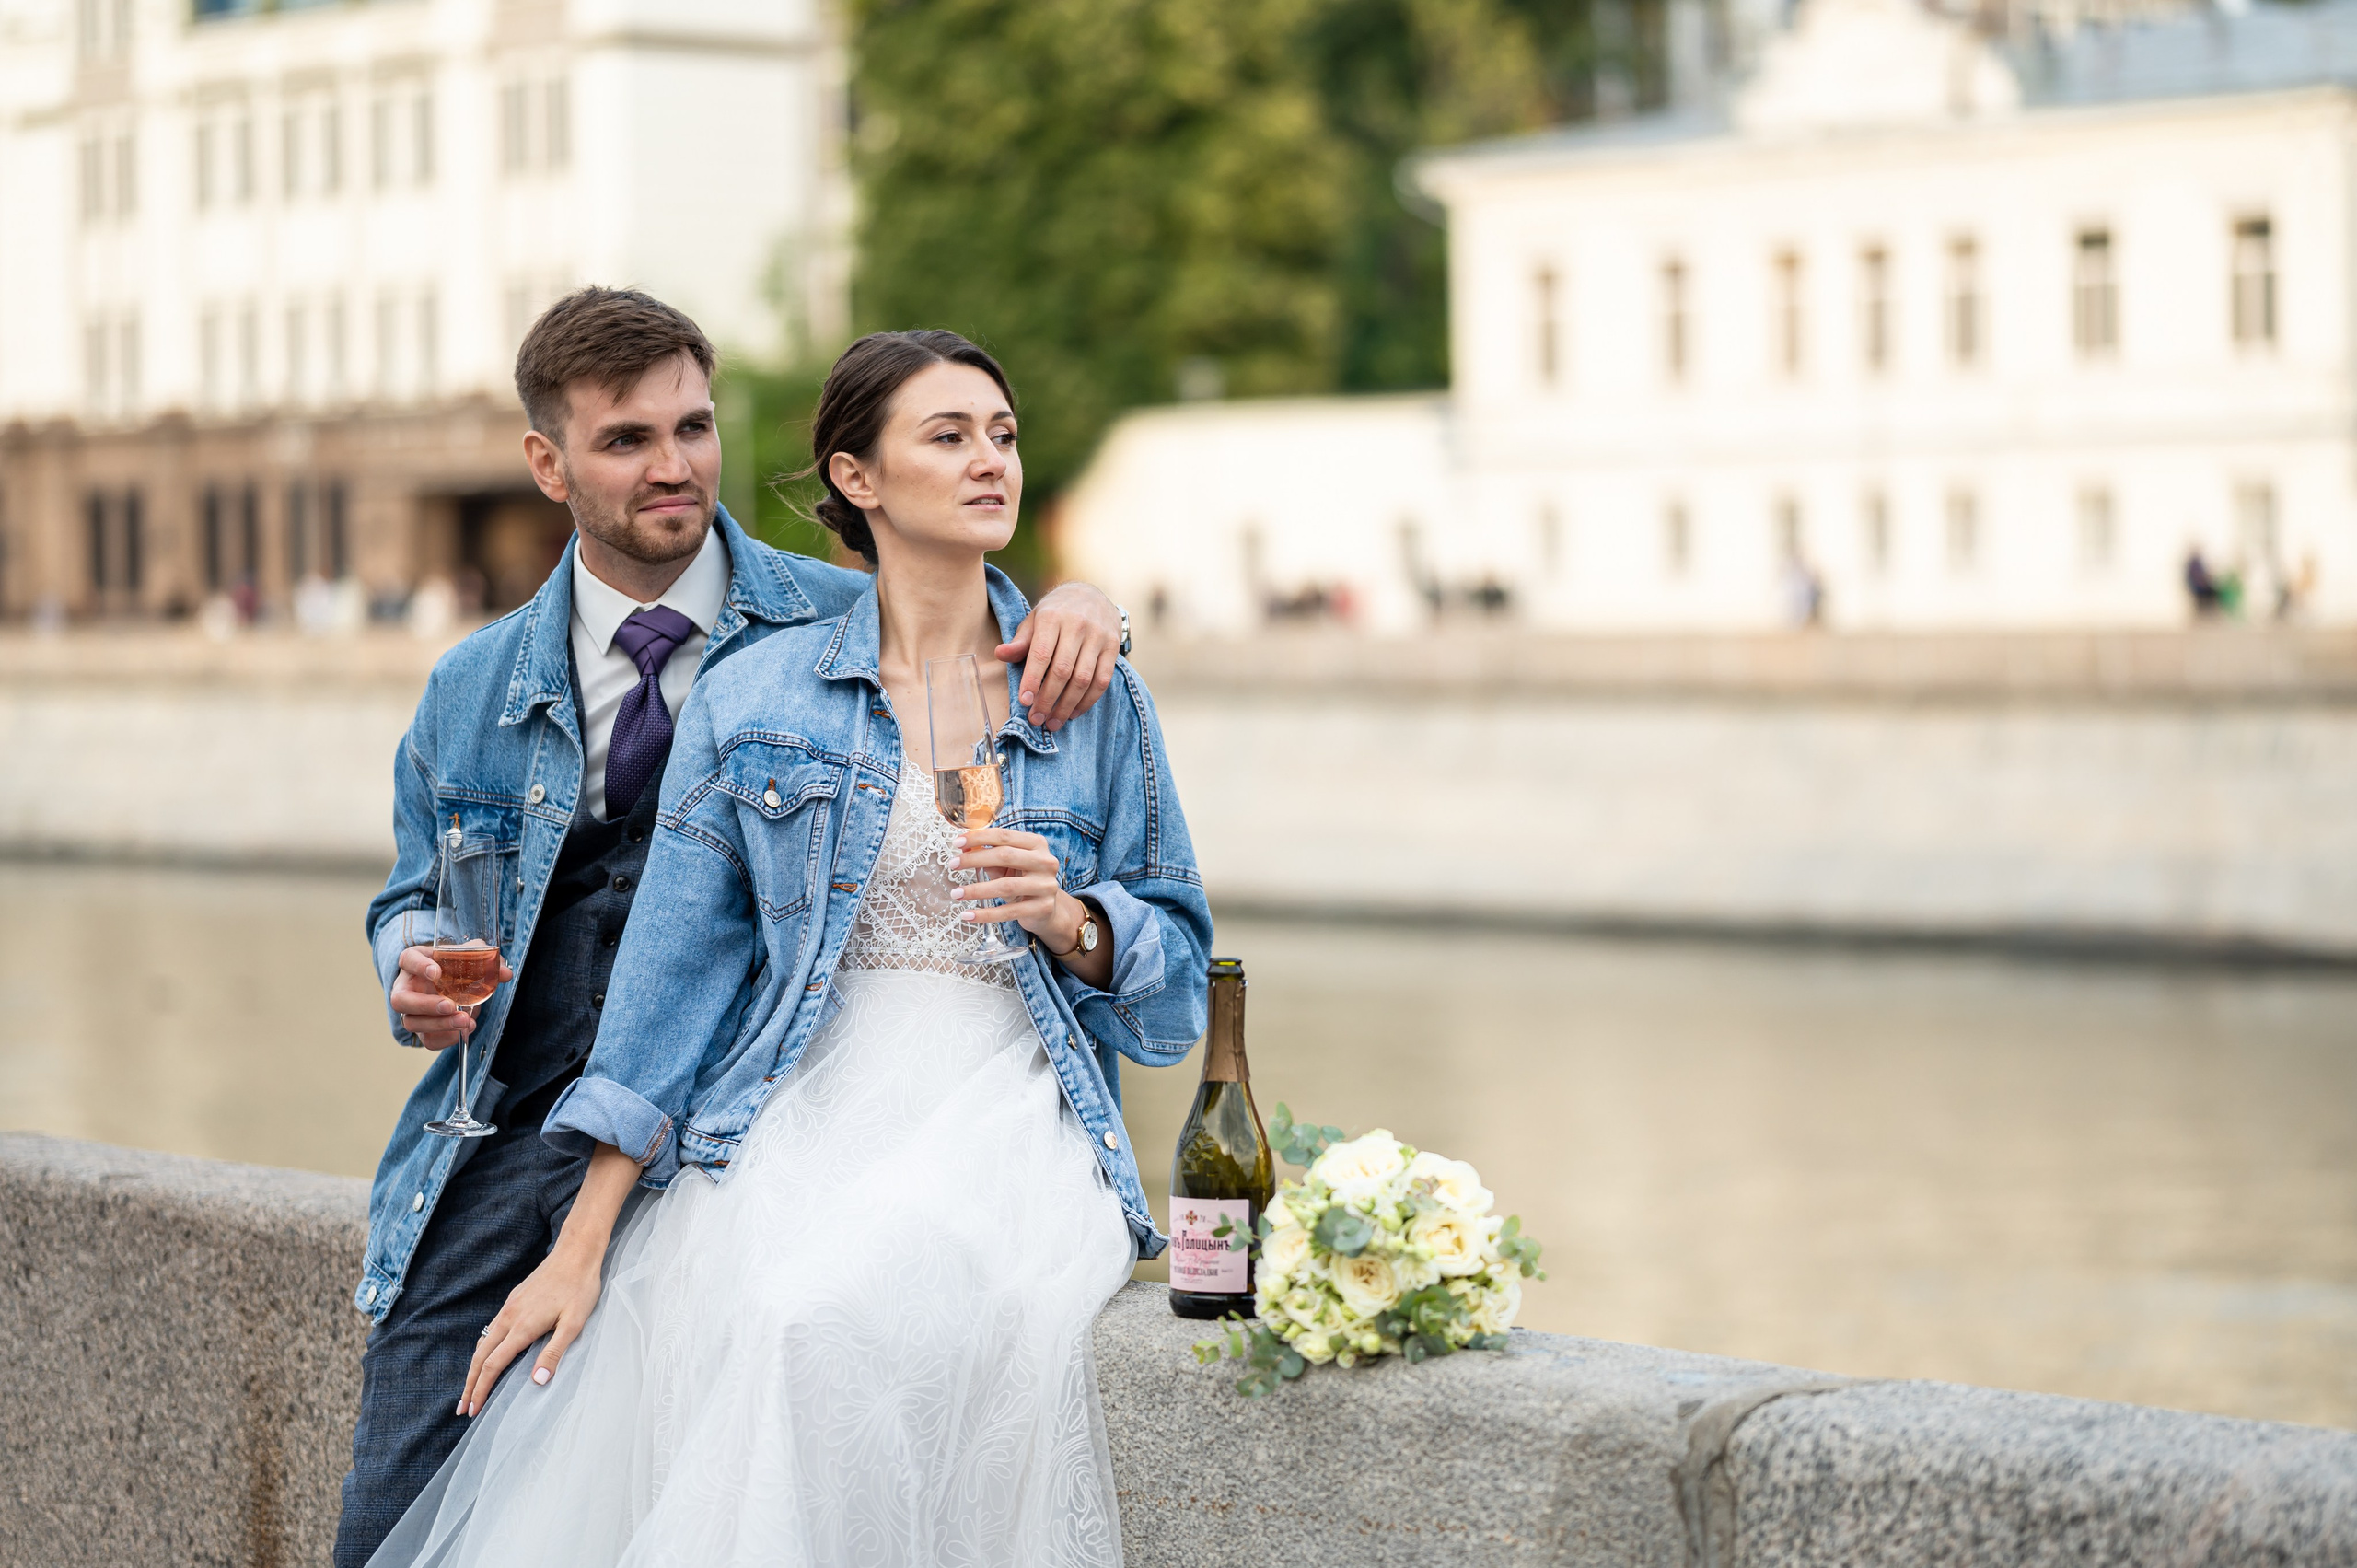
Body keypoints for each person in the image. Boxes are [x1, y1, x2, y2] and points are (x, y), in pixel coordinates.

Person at [365, 329, 1210, 1565]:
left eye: (1005, 435)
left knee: (814, 1319)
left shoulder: (1081, 689)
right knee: (741, 1320)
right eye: (950, 434)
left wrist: (1078, 920)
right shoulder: (754, 689)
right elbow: (675, 969)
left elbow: (1182, 991)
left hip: (1010, 1114)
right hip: (756, 1098)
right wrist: (584, 1243)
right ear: (855, 479)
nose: (991, 461)